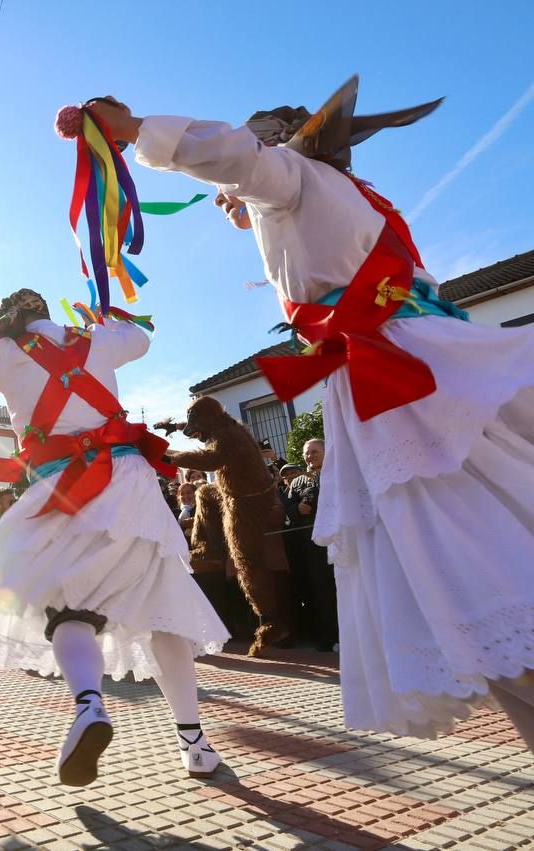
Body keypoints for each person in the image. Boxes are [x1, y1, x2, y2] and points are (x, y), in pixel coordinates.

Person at [97, 79, 534, 744]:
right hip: (410, 358)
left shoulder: (289, 173)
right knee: (476, 537)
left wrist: (137, 132)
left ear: (280, 141)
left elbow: (243, 161)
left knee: (458, 557)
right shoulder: (357, 199)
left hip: (391, 379)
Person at [0, 287, 229, 785]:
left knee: (67, 606)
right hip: (132, 487)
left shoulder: (1, 355)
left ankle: (89, 706)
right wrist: (107, 317)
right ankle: (195, 745)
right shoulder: (96, 339)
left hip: (67, 488)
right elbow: (142, 339)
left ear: (6, 321)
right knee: (164, 610)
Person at [285, 440, 339, 652]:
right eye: (307, 453)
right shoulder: (298, 481)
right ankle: (327, 637)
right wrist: (297, 508)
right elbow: (287, 506)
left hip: (338, 539)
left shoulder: (337, 472)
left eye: (315, 452)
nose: (310, 456)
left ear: (326, 452)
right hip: (312, 545)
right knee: (320, 591)